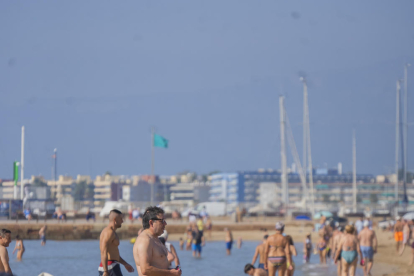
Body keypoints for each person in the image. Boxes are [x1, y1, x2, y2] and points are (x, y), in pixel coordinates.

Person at [133, 206, 182, 276]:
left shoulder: (155, 238)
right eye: (162, 221)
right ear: (151, 223)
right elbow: (145, 269)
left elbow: (159, 266)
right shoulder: (145, 240)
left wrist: (173, 271)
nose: (165, 223)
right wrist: (171, 273)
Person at [99, 209, 135, 276]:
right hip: (110, 267)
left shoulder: (111, 232)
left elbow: (114, 255)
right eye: (121, 219)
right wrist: (106, 271)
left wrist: (125, 264)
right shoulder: (109, 232)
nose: (122, 221)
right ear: (115, 219)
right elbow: (103, 252)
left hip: (109, 266)